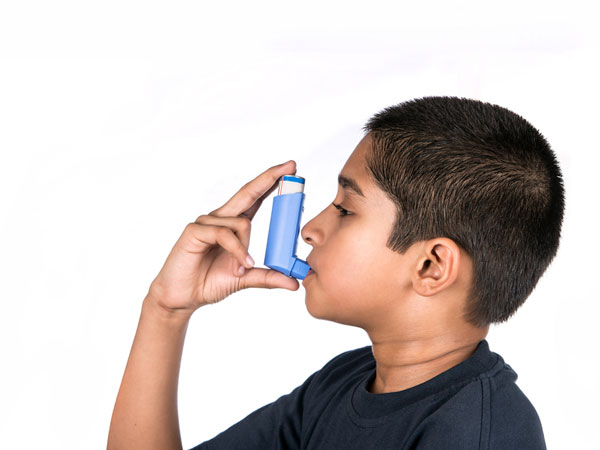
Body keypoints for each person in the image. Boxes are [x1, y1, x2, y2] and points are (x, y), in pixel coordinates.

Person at [107, 96, 564, 450]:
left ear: (431, 266)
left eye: (345, 209)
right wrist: (165, 310)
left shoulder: (481, 435)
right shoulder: (342, 384)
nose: (310, 229)